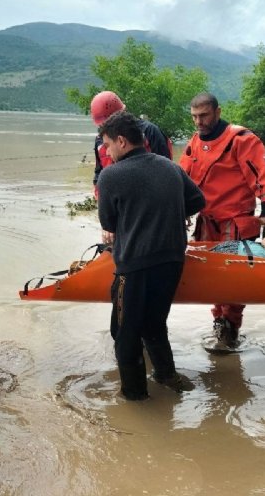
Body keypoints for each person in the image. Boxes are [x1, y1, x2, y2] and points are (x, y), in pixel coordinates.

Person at [96, 111, 205, 400]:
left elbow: (108, 224)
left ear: (121, 141)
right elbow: (197, 200)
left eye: (107, 145)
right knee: (154, 323)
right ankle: (167, 375)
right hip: (171, 261)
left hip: (133, 267)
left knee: (124, 333)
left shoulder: (110, 176)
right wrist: (166, 213)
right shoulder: (170, 167)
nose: (106, 152)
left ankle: (134, 397)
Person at [179, 92, 265, 348]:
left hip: (235, 221)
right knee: (210, 275)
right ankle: (218, 321)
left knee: (233, 277)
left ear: (218, 112)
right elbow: (182, 178)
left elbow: (262, 175)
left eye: (204, 116)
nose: (199, 122)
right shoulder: (194, 142)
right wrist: (179, 211)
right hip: (207, 220)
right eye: (194, 117)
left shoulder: (242, 140)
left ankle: (231, 325)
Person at [90, 90, 173, 244]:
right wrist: (106, 221)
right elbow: (99, 176)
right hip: (119, 216)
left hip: (150, 215)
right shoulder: (100, 141)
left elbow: (168, 175)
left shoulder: (150, 132)